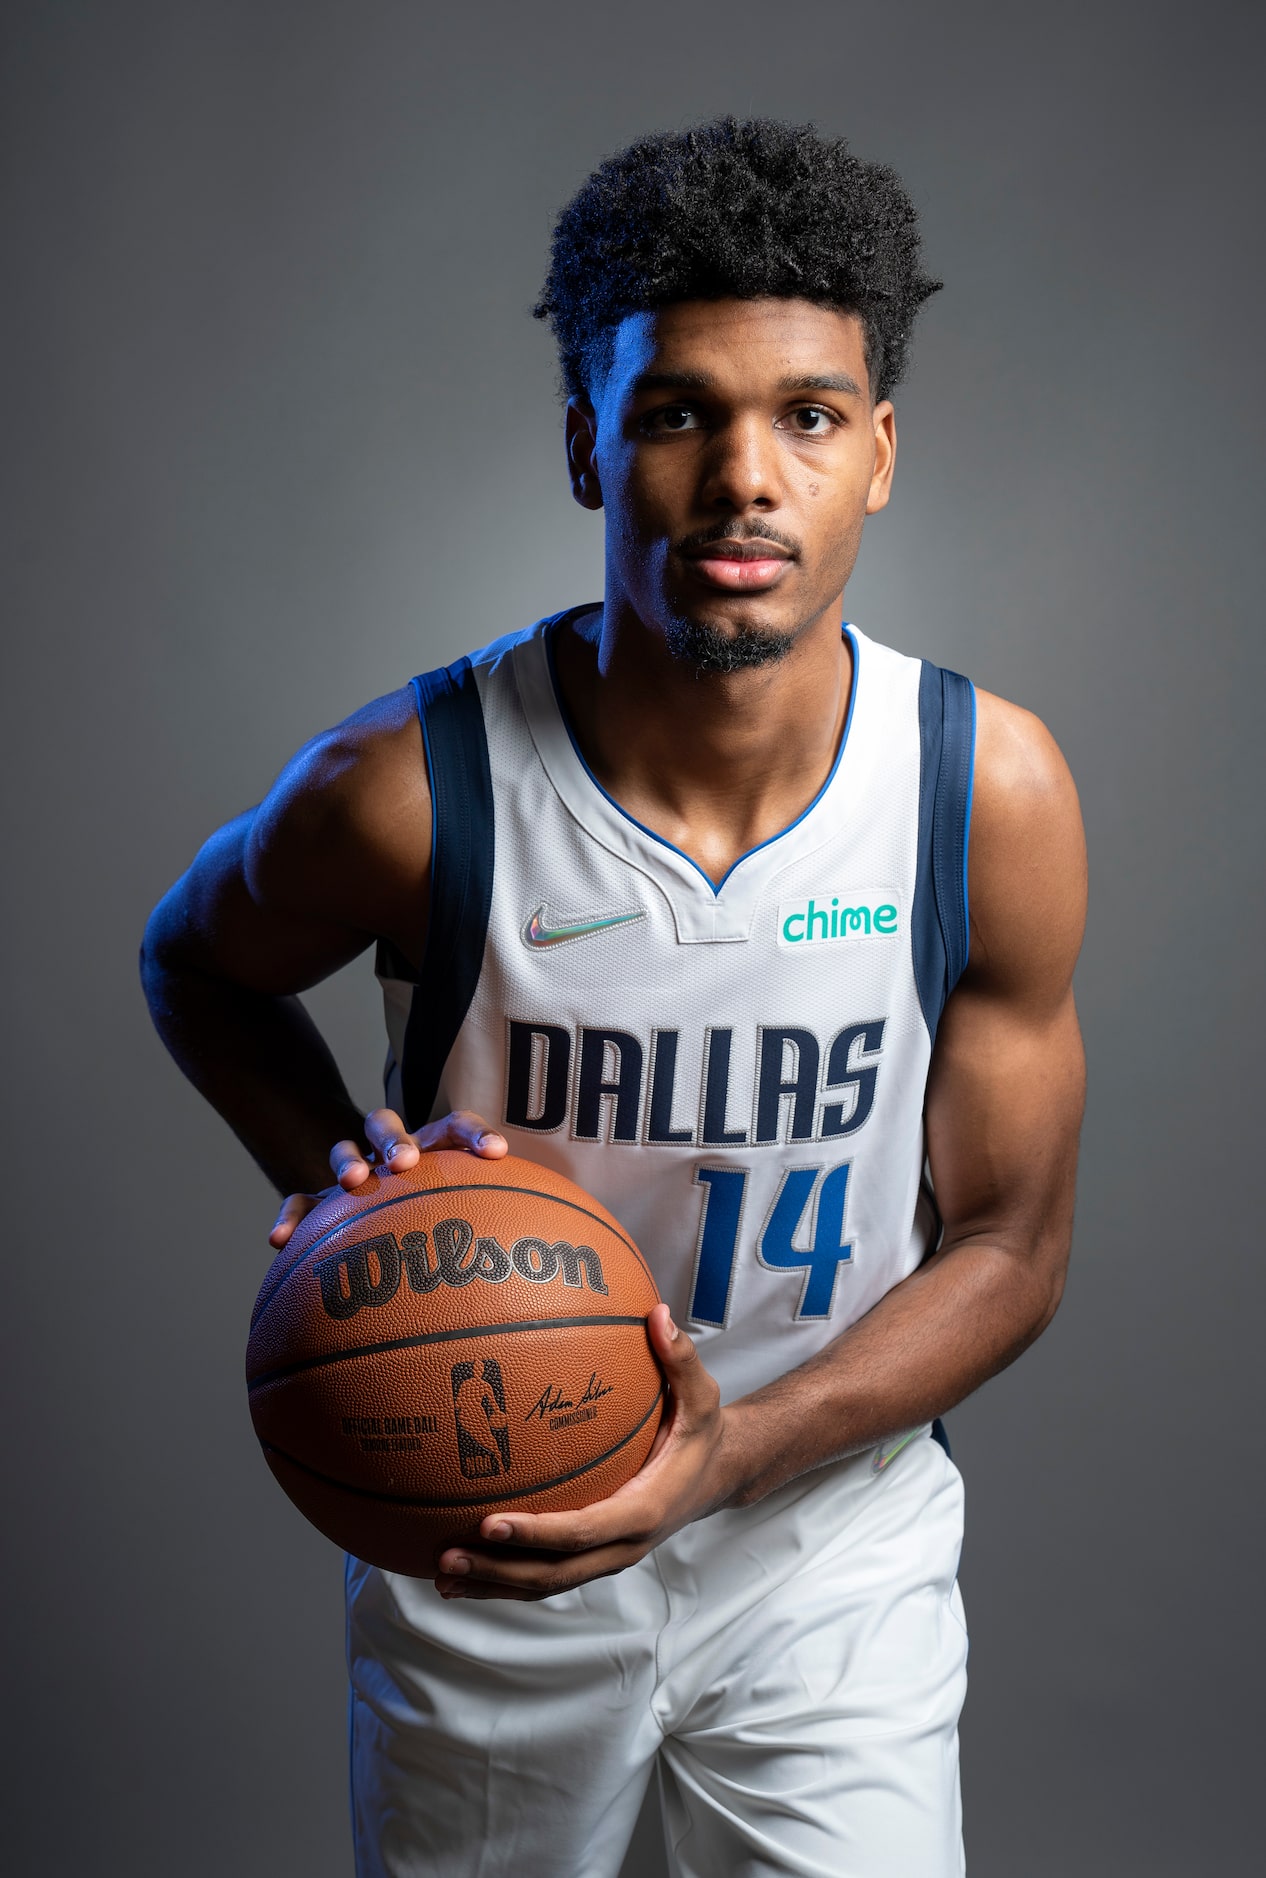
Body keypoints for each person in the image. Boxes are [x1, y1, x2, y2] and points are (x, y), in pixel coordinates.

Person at [142, 117, 1086, 1878]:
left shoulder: (983, 787)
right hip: (487, 1526)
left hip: (827, 1538)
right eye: (676, 413)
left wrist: (734, 1455)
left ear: (877, 455)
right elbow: (188, 960)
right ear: (589, 447)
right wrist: (352, 1192)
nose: (745, 477)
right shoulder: (414, 787)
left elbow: (1012, 1245)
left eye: (806, 416)